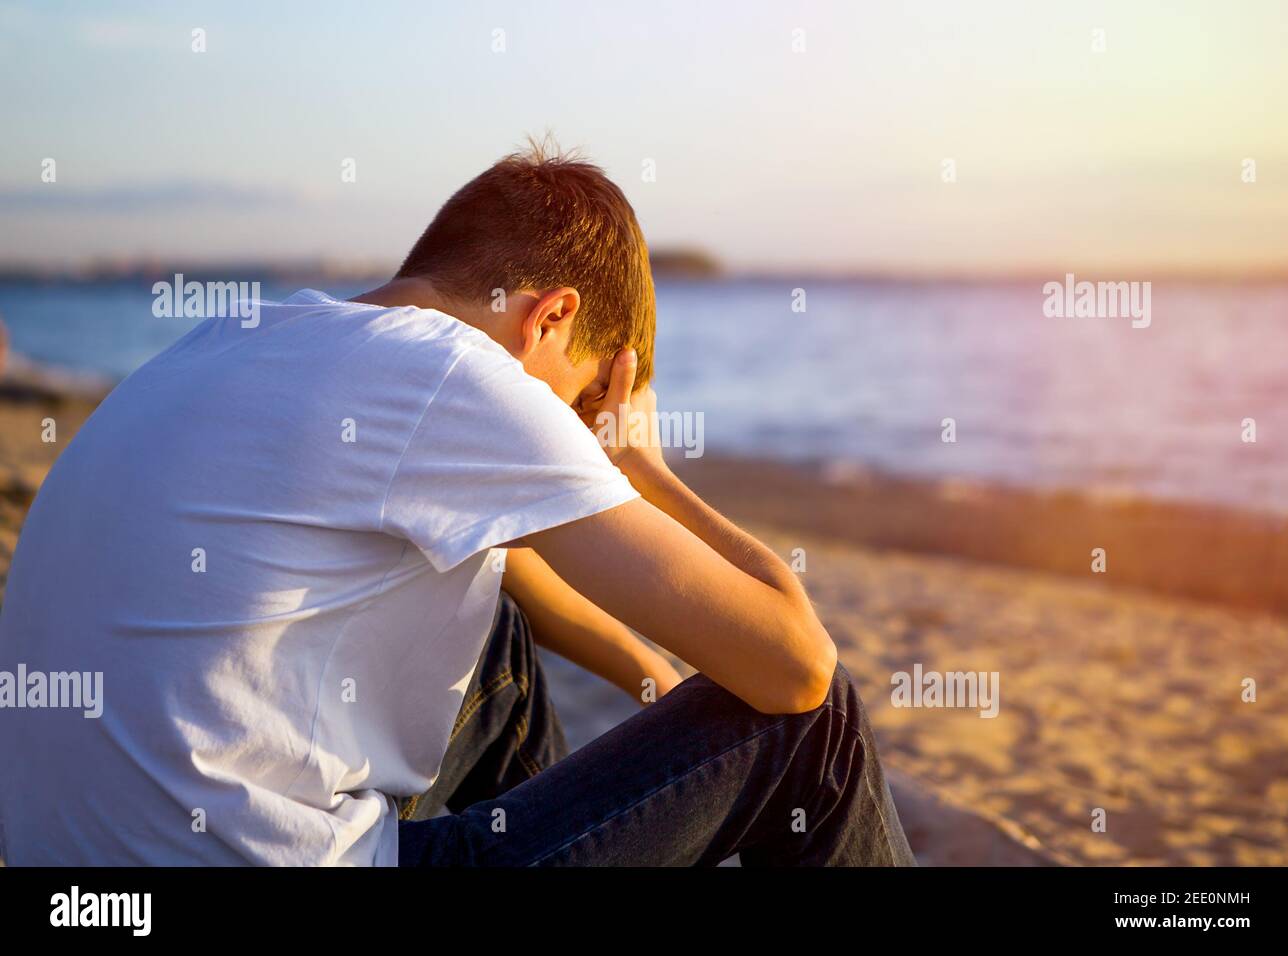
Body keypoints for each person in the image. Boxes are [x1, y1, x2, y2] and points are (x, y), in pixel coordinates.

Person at [0, 141, 914, 866]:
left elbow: (506, 555)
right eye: (584, 402)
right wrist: (643, 468)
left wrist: (655, 680)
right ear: (548, 318)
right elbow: (795, 667)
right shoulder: (452, 372)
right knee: (816, 726)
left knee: (493, 624)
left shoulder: (245, 337)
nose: (579, 433)